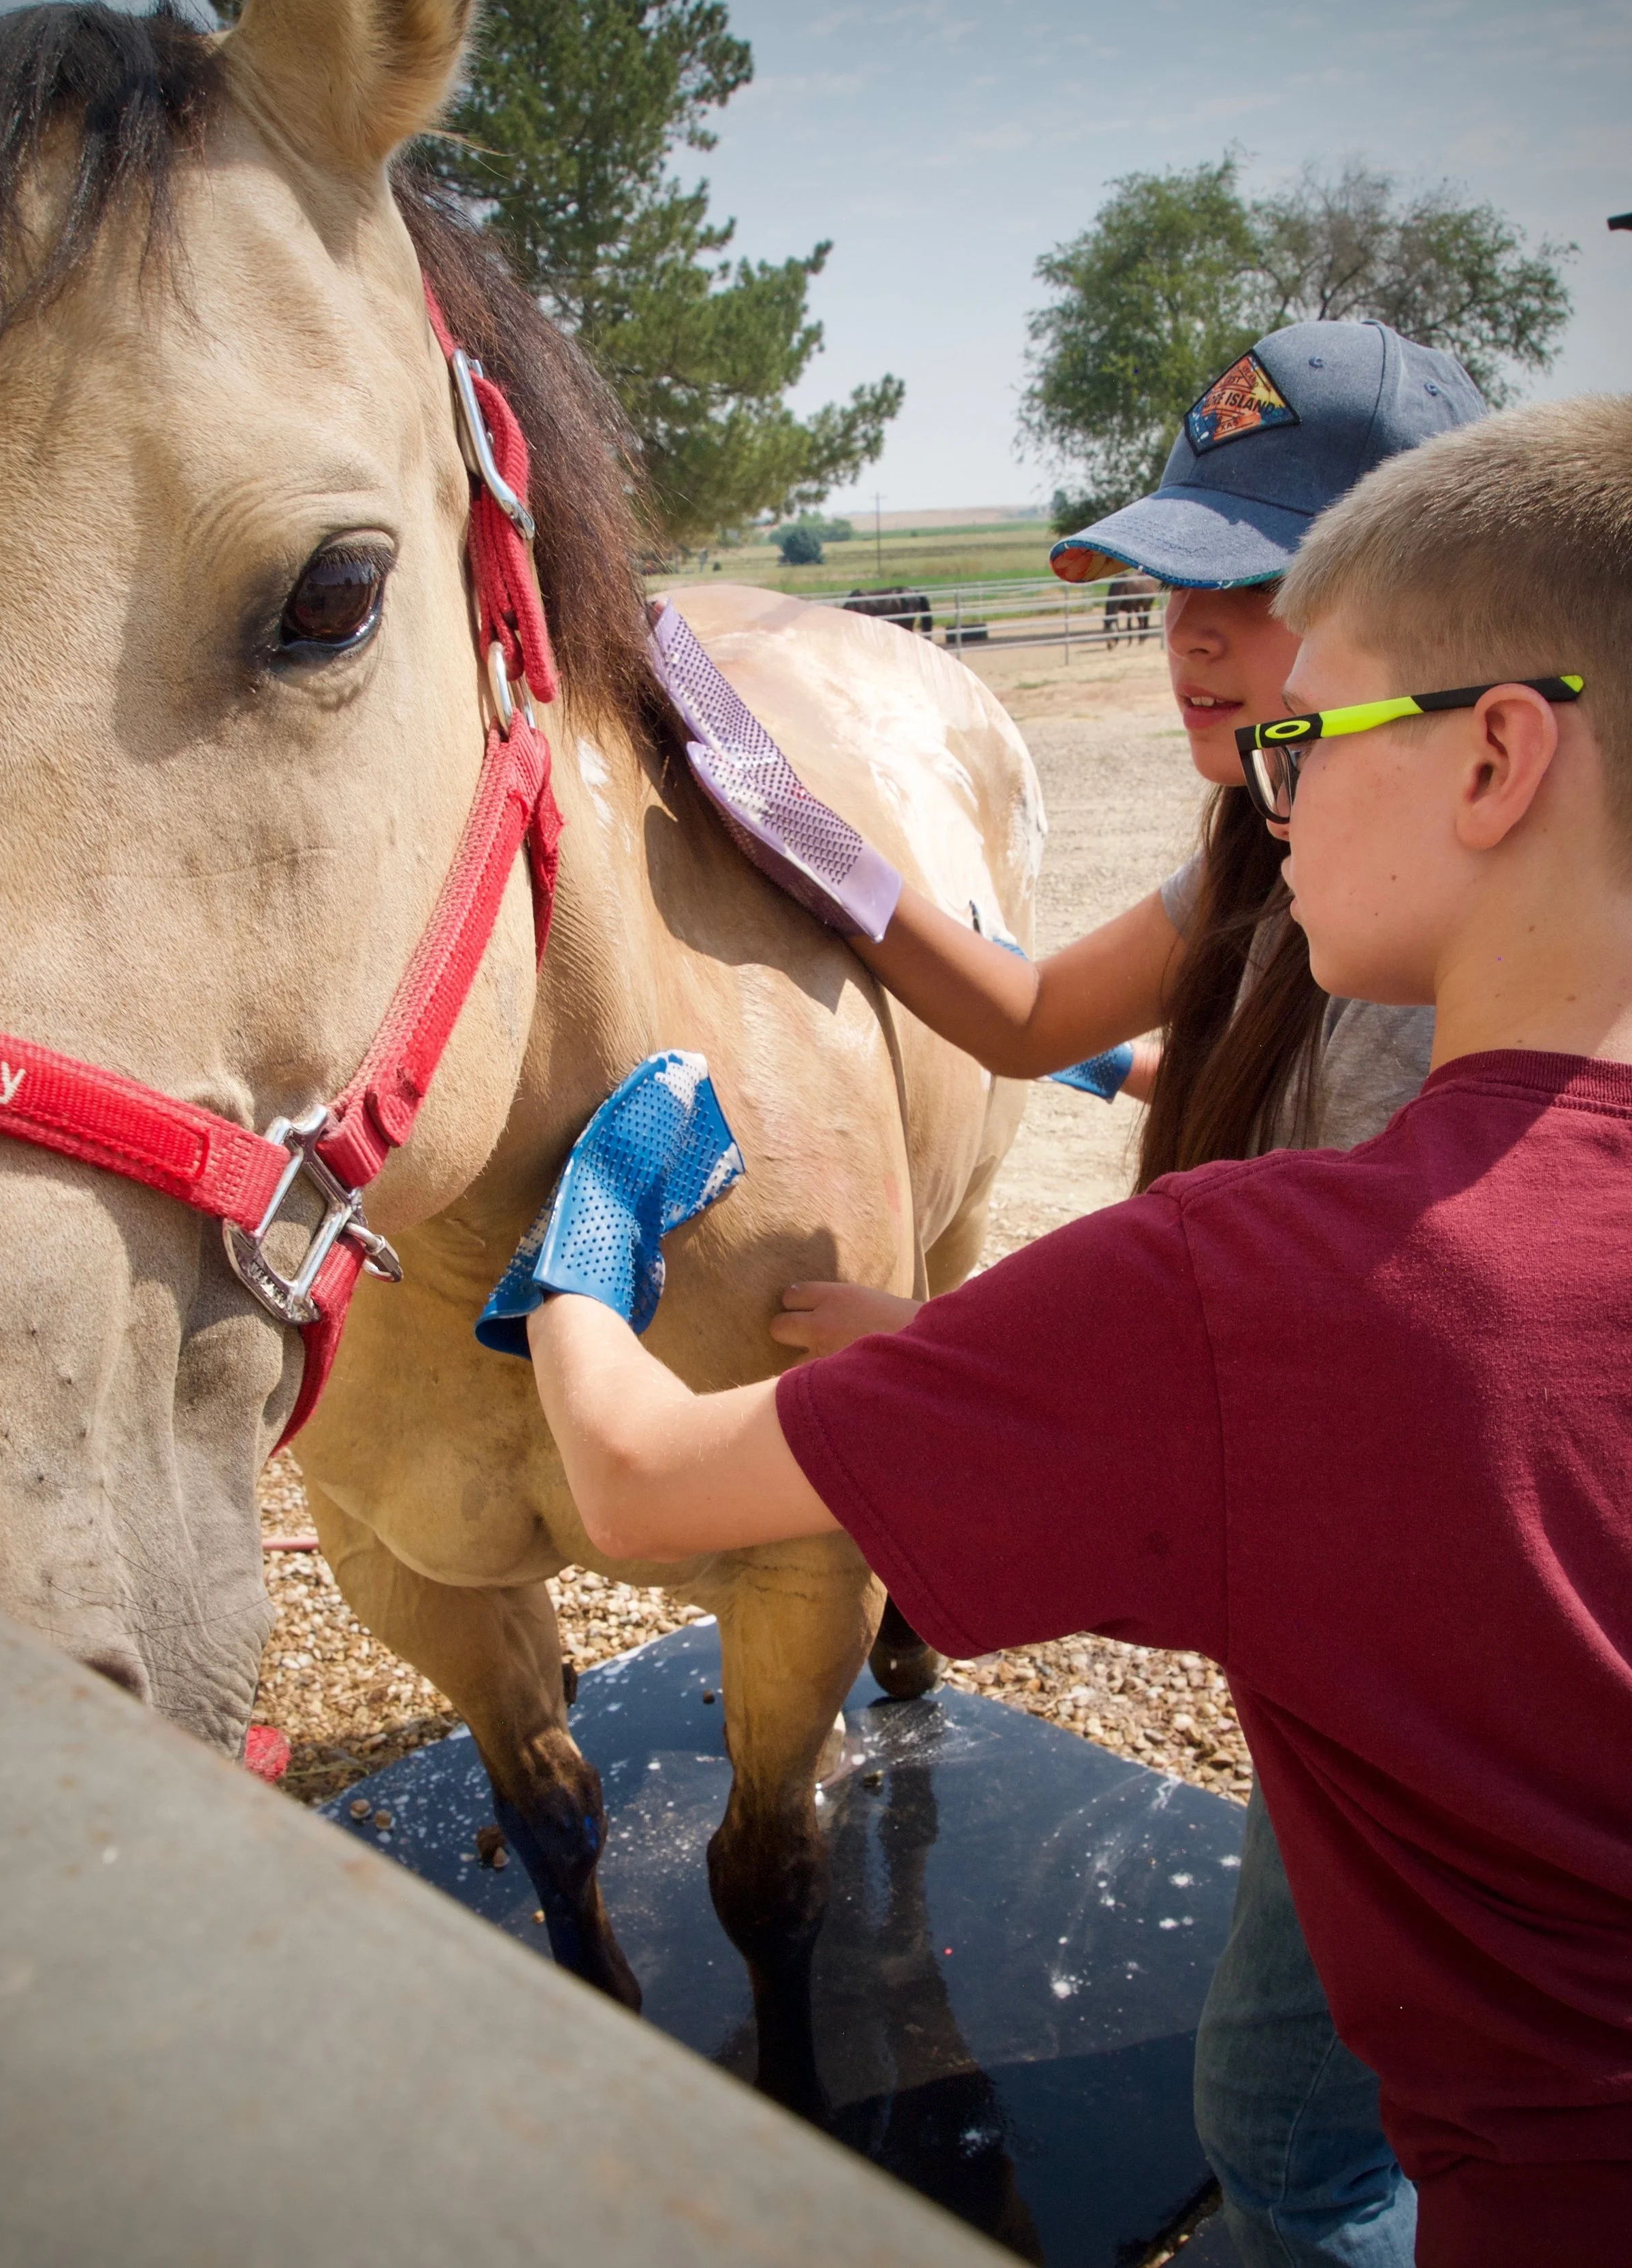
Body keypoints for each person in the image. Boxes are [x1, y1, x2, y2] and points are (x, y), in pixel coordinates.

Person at [522, 394, 1632, 2267]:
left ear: (1492, 756)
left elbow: (634, 1480)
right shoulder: (1314, 1075)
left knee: (1285, 2137)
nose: (1260, 782)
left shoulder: (1277, 1281)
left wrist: (589, 1239)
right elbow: (1042, 1025)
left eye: (1300, 733)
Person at [791, 321, 1480, 2268]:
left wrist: (934, 1377)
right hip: (1358, 1629)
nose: (1191, 630)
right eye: (1177, 582)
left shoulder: (1439, 941)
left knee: (1287, 2130)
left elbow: (1324, 1378)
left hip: (1410, 1634)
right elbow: (1017, 1015)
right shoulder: (1265, 831)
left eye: (1255, 588)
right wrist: (806, 835)